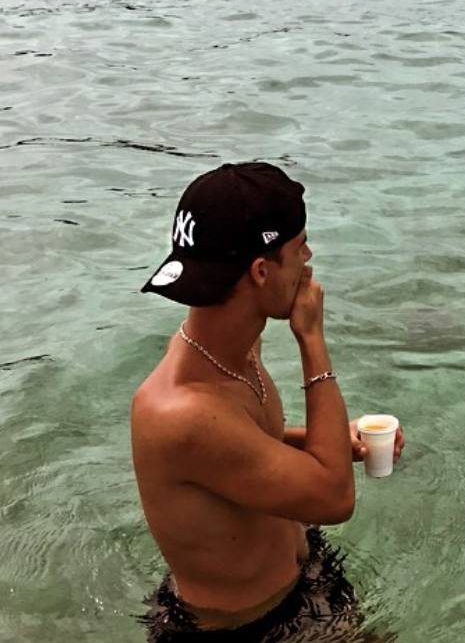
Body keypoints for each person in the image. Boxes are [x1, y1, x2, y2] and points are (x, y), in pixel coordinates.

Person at [131, 162, 403, 638]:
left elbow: (243, 446)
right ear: (261, 270)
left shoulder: (231, 351)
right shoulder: (181, 410)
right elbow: (334, 498)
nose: (309, 259)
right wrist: (311, 339)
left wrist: (327, 441)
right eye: (300, 248)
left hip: (302, 578)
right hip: (245, 629)